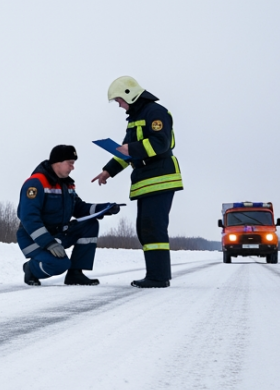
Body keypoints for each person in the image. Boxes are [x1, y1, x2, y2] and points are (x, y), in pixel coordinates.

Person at [92, 76, 183, 288]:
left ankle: (159, 278)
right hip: (146, 181)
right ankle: (155, 275)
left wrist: (132, 149)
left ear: (129, 94)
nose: (119, 105)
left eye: (119, 100)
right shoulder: (135, 117)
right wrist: (108, 171)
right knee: (145, 228)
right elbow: (125, 150)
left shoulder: (155, 112)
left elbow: (161, 143)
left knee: (154, 227)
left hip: (160, 179)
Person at [17, 144, 121, 286]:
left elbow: (79, 208)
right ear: (57, 163)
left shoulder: (66, 185)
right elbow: (29, 218)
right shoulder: (36, 183)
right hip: (33, 238)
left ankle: (75, 274)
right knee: (60, 265)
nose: (73, 167)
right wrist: (49, 243)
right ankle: (31, 269)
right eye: (70, 163)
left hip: (58, 234)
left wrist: (105, 208)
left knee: (90, 224)